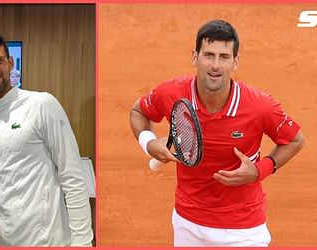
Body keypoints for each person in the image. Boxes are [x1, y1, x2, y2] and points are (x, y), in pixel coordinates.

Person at [129, 19, 305, 247]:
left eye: (224, 57)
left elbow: (295, 140)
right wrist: (149, 144)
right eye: (209, 55)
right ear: (195, 57)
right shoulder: (171, 92)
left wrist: (260, 170)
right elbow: (138, 111)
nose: (216, 65)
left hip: (244, 229)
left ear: (235, 62)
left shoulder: (260, 106)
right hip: (188, 223)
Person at [0, 32, 94, 246]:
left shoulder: (42, 105)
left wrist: (82, 242)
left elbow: (72, 177)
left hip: (47, 243)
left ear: (9, 63)